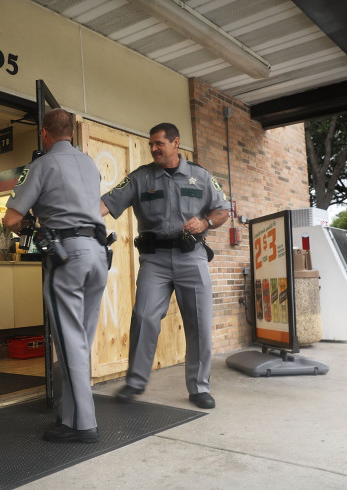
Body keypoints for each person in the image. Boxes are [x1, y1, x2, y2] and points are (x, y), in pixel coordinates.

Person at [99, 122, 229, 409]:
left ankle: (199, 387)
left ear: (176, 143)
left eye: (159, 143)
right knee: (143, 316)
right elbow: (105, 204)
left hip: (191, 255)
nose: (154, 148)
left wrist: (205, 222)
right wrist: (76, 218)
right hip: (154, 258)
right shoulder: (140, 178)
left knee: (198, 324)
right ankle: (135, 382)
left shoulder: (201, 176)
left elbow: (223, 210)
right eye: (151, 145)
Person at [4, 108, 108, 443]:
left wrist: (28, 221)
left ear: (45, 134)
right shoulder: (90, 165)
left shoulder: (42, 165)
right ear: (72, 134)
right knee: (80, 341)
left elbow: (10, 219)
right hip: (98, 255)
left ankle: (81, 425)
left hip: (67, 257)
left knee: (69, 343)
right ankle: (69, 411)